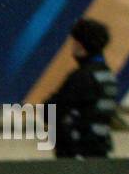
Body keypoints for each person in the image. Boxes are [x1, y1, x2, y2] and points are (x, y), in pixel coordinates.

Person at [48, 18, 118, 159]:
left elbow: (53, 109)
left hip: (78, 153)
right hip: (100, 151)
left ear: (81, 46)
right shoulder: (107, 75)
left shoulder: (82, 77)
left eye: (74, 43)